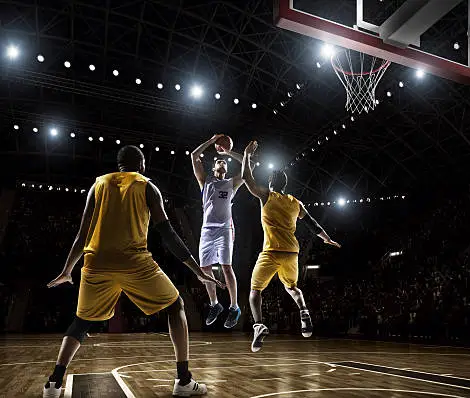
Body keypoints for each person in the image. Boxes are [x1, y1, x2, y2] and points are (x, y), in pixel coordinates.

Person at [43, 145, 225, 398]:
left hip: (96, 262)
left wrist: (67, 269)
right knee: (175, 306)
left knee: (81, 322)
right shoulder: (147, 186)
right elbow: (167, 234)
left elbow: (82, 233)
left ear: (119, 166)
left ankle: (53, 383)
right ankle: (183, 380)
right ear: (141, 165)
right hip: (134, 261)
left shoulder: (98, 185)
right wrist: (197, 270)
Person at [240, 140, 340, 352]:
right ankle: (303, 311)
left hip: (271, 251)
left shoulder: (267, 196)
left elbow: (247, 179)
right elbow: (311, 223)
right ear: (285, 185)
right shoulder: (295, 202)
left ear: (271, 183)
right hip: (292, 253)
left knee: (254, 291)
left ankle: (258, 325)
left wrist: (247, 156)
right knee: (292, 288)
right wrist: (326, 238)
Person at [191, 134, 245, 328]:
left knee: (226, 267)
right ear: (213, 168)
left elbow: (251, 166)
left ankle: (234, 307)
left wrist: (228, 151)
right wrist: (211, 141)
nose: (222, 162)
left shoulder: (231, 183)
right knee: (204, 270)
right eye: (218, 161)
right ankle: (215, 304)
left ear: (226, 168)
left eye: (224, 162)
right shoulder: (205, 182)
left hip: (224, 229)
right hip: (206, 230)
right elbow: (194, 155)